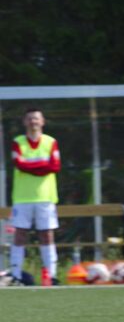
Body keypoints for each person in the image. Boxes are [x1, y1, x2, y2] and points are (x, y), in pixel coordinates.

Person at [9, 108, 61, 286]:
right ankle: (15, 274)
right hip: (23, 198)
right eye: (30, 119)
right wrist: (42, 167)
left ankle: (51, 275)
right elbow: (19, 164)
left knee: (46, 235)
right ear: (25, 122)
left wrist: (32, 167)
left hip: (45, 197)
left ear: (43, 121)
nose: (33, 122)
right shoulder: (18, 142)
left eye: (36, 119)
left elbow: (55, 166)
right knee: (20, 234)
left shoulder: (50, 142)